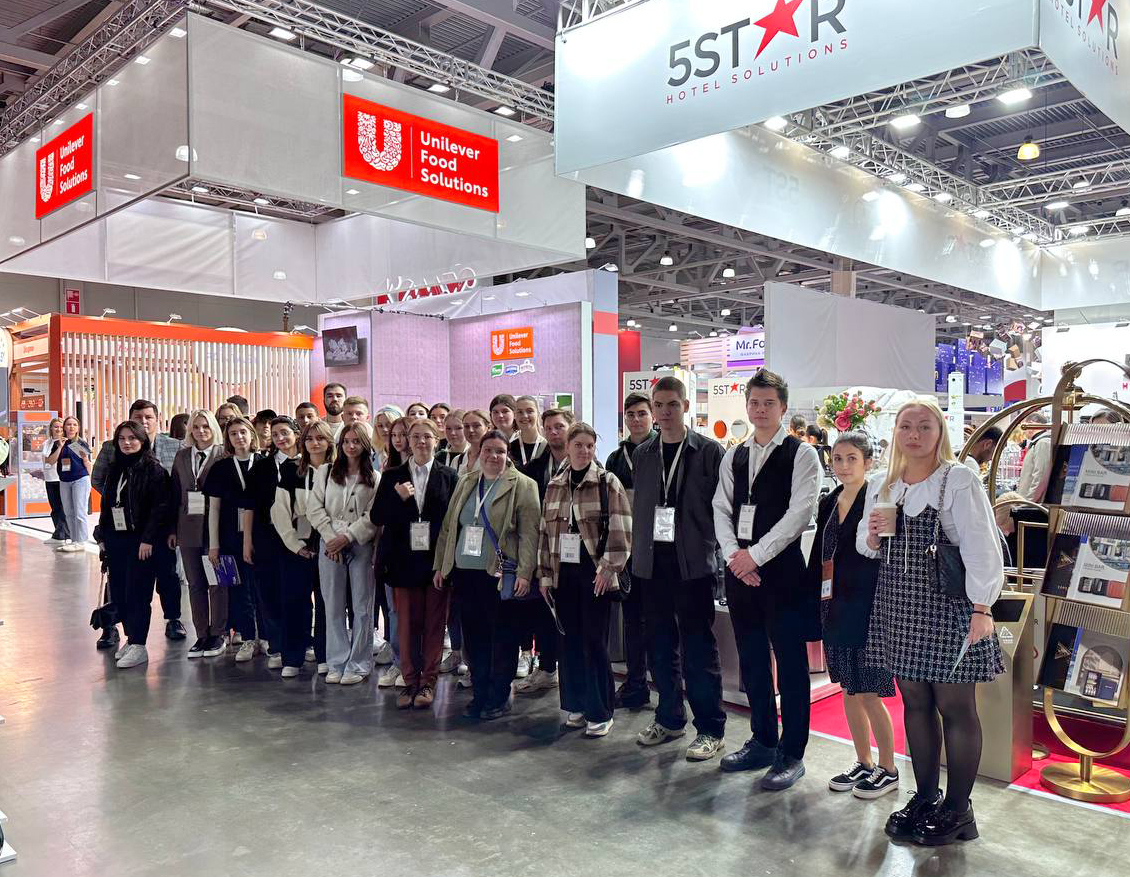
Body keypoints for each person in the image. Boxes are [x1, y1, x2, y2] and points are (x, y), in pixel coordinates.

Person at [859, 397, 1004, 845]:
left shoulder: (956, 479)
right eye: (906, 426)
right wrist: (871, 536)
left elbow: (981, 545)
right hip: (898, 606)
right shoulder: (883, 483)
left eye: (925, 426)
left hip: (949, 607)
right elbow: (867, 547)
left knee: (956, 708)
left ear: (940, 432)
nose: (915, 434)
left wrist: (982, 607)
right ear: (895, 432)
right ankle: (925, 798)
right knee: (915, 703)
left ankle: (959, 810)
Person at [712, 369, 821, 790]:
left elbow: (799, 514)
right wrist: (733, 556)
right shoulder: (735, 455)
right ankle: (762, 740)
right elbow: (721, 507)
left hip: (783, 573)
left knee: (791, 665)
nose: (760, 410)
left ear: (783, 407)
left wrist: (754, 555)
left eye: (768, 403)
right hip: (740, 573)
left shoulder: (802, 454)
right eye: (754, 402)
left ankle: (792, 753)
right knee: (752, 658)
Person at [632, 377, 727, 761]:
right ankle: (669, 718)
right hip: (652, 564)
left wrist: (716, 552)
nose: (665, 411)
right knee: (659, 647)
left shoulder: (708, 451)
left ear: (685, 406)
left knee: (698, 650)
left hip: (693, 565)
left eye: (672, 404)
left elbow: (721, 508)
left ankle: (710, 728)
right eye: (659, 405)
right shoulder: (643, 453)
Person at [810, 433, 897, 799]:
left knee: (869, 691)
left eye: (851, 459)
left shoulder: (878, 499)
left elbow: (885, 551)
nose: (843, 466)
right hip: (835, 603)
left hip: (869, 604)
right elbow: (820, 553)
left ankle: (888, 768)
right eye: (838, 458)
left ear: (868, 462)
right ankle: (863, 760)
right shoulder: (829, 501)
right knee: (848, 687)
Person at [433, 430, 540, 720]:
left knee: (502, 638)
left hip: (499, 575)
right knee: (474, 637)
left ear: (508, 455)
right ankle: (480, 692)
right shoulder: (467, 481)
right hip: (465, 573)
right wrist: (441, 566)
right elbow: (449, 527)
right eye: (488, 450)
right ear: (479, 452)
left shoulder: (523, 485)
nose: (493, 456)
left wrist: (525, 573)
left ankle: (499, 696)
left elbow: (530, 534)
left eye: (500, 451)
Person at [537, 422, 632, 737]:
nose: (584, 451)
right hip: (563, 574)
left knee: (594, 642)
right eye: (578, 445)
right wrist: (545, 576)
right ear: (567, 447)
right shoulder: (555, 485)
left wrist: (608, 568)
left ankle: (600, 711)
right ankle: (576, 706)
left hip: (595, 574)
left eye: (590, 446)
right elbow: (545, 534)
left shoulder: (607, 482)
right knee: (569, 643)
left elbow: (621, 528)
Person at [372, 419, 458, 708]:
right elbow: (377, 516)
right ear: (408, 441)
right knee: (406, 625)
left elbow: (453, 522)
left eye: (427, 436)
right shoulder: (392, 476)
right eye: (416, 436)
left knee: (434, 624)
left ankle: (428, 683)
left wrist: (445, 564)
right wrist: (397, 499)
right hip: (402, 562)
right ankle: (409, 682)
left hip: (435, 562)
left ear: (437, 440)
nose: (422, 441)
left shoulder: (449, 476)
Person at [93, 400, 186, 640]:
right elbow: (98, 480)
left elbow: (177, 491)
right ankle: (111, 625)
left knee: (167, 576)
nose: (143, 421)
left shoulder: (174, 446)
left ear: (157, 419)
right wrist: (126, 500)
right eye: (138, 417)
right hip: (126, 529)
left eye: (148, 417)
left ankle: (173, 618)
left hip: (161, 528)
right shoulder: (112, 447)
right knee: (120, 579)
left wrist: (173, 527)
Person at [306, 421, 380, 684]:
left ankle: (359, 663)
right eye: (346, 441)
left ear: (365, 445)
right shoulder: (325, 472)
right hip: (330, 545)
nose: (351, 446)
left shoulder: (375, 477)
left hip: (360, 543)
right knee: (333, 605)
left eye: (356, 441)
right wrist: (331, 539)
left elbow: (374, 515)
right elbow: (314, 508)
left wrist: (348, 537)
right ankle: (336, 661)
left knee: (362, 607)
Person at [98, 421, 172, 670]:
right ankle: (131, 639)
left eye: (132, 438)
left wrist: (148, 539)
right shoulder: (115, 468)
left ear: (142, 440)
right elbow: (107, 506)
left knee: (138, 593)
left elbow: (160, 508)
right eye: (122, 438)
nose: (127, 443)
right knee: (120, 592)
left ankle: (139, 644)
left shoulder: (154, 470)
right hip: (116, 540)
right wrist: (102, 537)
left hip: (141, 542)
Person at [512, 408, 573, 689]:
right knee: (543, 611)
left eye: (559, 426)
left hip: (574, 550)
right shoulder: (534, 469)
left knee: (572, 612)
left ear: (570, 428)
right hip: (543, 548)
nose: (553, 432)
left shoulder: (585, 462)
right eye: (548, 428)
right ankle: (547, 668)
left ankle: (571, 670)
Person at [604, 392, 657, 709]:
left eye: (641, 413)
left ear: (652, 416)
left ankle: (665, 686)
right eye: (630, 415)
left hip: (659, 550)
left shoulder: (663, 450)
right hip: (627, 550)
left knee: (660, 620)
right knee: (632, 620)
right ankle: (636, 684)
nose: (636, 420)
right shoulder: (615, 458)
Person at [271, 420, 335, 678]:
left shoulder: (338, 472)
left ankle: (325, 655)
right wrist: (295, 546)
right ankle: (293, 657)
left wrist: (334, 541)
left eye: (320, 438)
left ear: (329, 442)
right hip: (296, 547)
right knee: (295, 602)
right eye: (309, 439)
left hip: (330, 546)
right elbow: (280, 512)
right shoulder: (291, 470)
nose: (315, 443)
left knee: (327, 603)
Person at [243, 416, 300, 670]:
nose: (280, 438)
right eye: (275, 434)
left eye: (284, 432)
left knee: (296, 592)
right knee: (268, 592)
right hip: (266, 536)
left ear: (296, 433)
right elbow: (250, 507)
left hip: (299, 537)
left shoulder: (306, 465)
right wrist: (247, 541)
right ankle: (276, 645)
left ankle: (300, 643)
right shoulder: (261, 467)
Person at [170, 410, 226, 659]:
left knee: (218, 582)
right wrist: (172, 529)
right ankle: (202, 633)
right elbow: (174, 493)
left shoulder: (223, 454)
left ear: (213, 427)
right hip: (188, 527)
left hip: (217, 527)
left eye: (205, 426)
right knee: (195, 583)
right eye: (195, 427)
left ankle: (218, 633)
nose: (201, 431)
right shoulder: (182, 456)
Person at [203, 416, 261, 662]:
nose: (239, 437)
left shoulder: (264, 463)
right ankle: (247, 638)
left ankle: (266, 636)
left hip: (261, 535)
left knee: (261, 588)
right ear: (228, 438)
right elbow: (213, 509)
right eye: (233, 433)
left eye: (243, 432)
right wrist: (213, 545)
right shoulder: (220, 468)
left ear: (252, 434)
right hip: (228, 537)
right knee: (235, 590)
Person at [55, 416, 93, 553]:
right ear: (64, 427)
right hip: (64, 480)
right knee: (69, 512)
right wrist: (60, 446)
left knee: (79, 512)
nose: (71, 427)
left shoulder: (79, 443)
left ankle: (81, 541)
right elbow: (52, 460)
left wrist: (89, 479)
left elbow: (86, 462)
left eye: (74, 425)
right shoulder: (61, 443)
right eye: (69, 424)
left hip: (80, 479)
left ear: (78, 428)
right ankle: (74, 540)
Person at [41, 418, 70, 546]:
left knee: (64, 509)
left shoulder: (68, 442)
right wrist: (58, 449)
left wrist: (60, 447)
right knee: (55, 509)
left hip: (62, 479)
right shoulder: (47, 443)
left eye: (60, 427)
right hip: (49, 479)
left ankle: (64, 536)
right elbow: (48, 461)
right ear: (51, 428)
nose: (58, 429)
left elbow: (83, 455)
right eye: (55, 427)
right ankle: (59, 535)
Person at [1016, 411, 1051, 503]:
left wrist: (1029, 502)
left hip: (1033, 504)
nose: (1024, 431)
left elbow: (1040, 475)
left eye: (1024, 427)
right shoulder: (1037, 443)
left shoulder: (1043, 443)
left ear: (1031, 424)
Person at [509, 395, 546, 470]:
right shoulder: (510, 448)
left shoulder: (547, 448)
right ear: (515, 415)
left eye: (529, 411)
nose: (525, 416)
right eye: (520, 412)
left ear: (538, 414)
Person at [457, 409, 491, 476]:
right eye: (466, 426)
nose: (471, 430)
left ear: (488, 428)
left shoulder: (496, 457)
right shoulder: (458, 460)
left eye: (476, 426)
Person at [374, 404, 404, 470]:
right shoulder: (374, 457)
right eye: (380, 426)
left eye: (389, 425)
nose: (384, 429)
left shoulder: (407, 455)